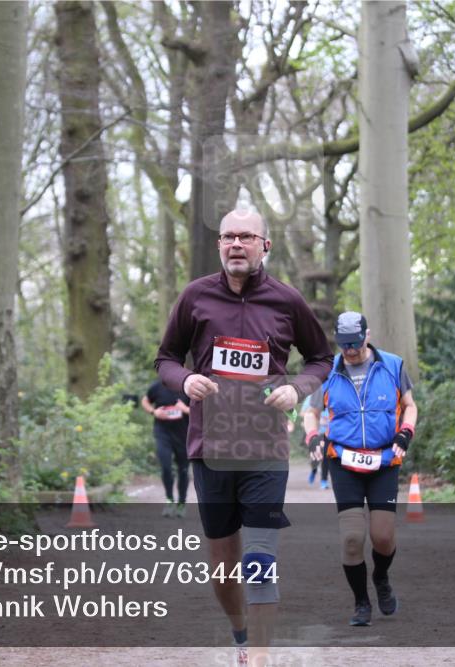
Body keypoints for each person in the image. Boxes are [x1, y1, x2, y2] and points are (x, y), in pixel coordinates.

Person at [155, 208, 333, 665]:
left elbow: (320, 358)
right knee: (223, 567)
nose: (236, 244)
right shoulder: (195, 297)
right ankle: (240, 636)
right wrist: (184, 381)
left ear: (264, 246)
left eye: (246, 237)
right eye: (228, 237)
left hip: (264, 447)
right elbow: (167, 359)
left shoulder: (286, 301)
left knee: (259, 559)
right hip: (209, 447)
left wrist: (297, 389)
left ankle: (259, 655)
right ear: (220, 245)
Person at [308, 311, 418, 627]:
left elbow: (410, 405)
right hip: (344, 461)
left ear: (367, 336)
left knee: (382, 537)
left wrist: (405, 432)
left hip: (384, 461)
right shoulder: (327, 370)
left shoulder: (393, 365)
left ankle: (381, 578)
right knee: (352, 539)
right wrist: (313, 435)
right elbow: (312, 412)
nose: (350, 351)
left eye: (355, 343)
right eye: (344, 345)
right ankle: (361, 602)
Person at [141, 380, 190, 517]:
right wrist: (154, 412)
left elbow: (202, 412)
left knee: (183, 471)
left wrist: (185, 409)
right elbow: (145, 401)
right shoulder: (157, 386)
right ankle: (169, 500)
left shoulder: (188, 386)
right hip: (163, 434)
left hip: (184, 435)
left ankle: (181, 503)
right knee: (166, 467)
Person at [300, 394, 329, 489]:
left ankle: (324, 480)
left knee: (325, 457)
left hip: (328, 433)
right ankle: (314, 470)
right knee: (316, 456)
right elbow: (302, 413)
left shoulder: (332, 394)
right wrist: (312, 414)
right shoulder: (311, 398)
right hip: (316, 433)